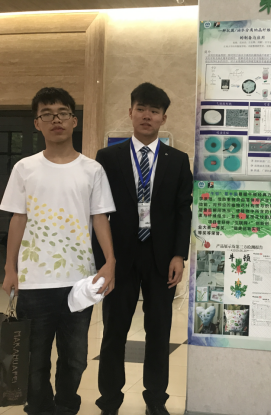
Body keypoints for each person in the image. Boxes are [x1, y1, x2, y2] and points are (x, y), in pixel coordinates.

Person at [0, 87, 116, 415]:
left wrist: (110, 261)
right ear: (37, 123)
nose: (56, 120)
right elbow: (18, 219)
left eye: (63, 113)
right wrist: (10, 268)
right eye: (47, 114)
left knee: (75, 358)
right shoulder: (25, 168)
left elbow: (99, 218)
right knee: (34, 360)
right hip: (34, 281)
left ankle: (66, 407)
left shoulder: (92, 169)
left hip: (79, 281)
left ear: (74, 120)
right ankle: (39, 409)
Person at [93, 83, 193, 416]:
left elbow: (183, 209)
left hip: (162, 257)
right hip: (119, 257)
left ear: (164, 117)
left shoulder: (178, 160)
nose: (147, 116)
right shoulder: (108, 158)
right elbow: (99, 211)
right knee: (114, 331)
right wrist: (104, 260)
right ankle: (109, 401)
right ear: (131, 112)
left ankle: (155, 400)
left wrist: (179, 254)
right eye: (141, 109)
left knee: (159, 331)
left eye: (154, 110)